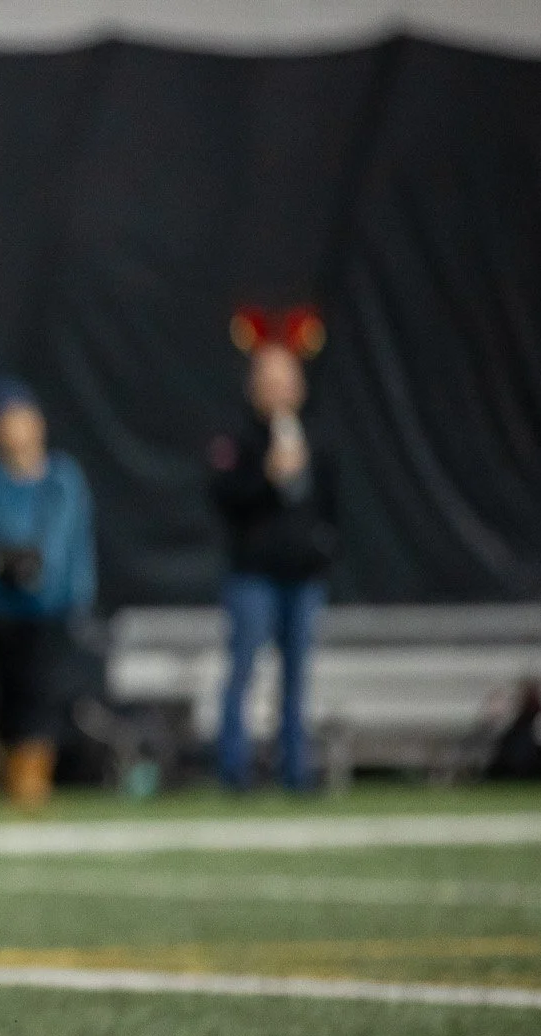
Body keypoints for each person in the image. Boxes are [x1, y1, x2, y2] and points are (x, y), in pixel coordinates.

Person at [210, 307, 337, 792]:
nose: (280, 388)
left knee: (296, 680)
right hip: (254, 574)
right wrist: (266, 476)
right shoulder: (239, 437)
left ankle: (295, 772)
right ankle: (234, 772)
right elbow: (223, 497)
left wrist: (324, 550)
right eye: (270, 378)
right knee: (243, 671)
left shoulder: (316, 435)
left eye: (287, 377)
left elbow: (331, 504)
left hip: (302, 575)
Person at [0, 377, 95, 808]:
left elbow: (63, 545)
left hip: (50, 608)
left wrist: (41, 573)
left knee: (43, 693)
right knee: (6, 696)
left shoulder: (61, 477)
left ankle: (32, 782)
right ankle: (8, 775)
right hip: (0, 609)